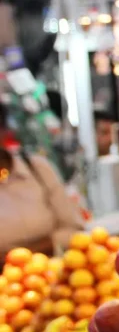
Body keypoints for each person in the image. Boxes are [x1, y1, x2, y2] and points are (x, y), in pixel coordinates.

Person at [0, 104, 84, 255]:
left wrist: (22, 255)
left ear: (5, 132)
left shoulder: (38, 169)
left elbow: (74, 228)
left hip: (51, 271)